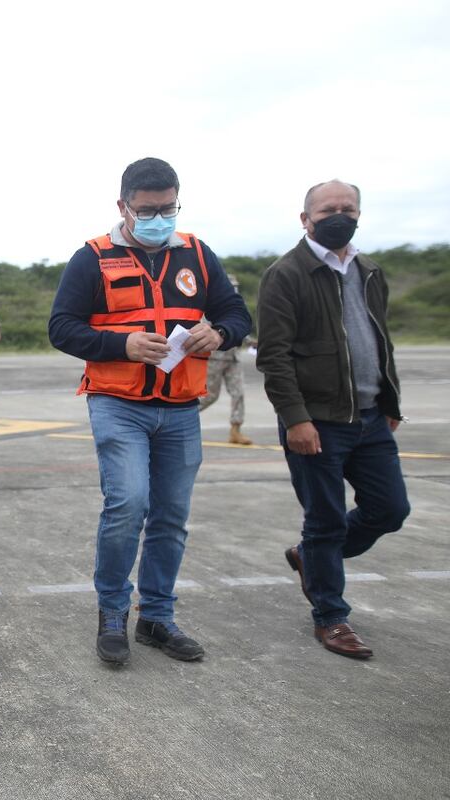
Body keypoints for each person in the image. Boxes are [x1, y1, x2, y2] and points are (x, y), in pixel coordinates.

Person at [48, 157, 251, 666]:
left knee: (171, 516)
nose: (159, 218)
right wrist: (123, 344)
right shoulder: (92, 258)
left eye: (168, 208)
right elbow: (62, 327)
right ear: (123, 207)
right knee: (128, 505)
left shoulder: (197, 254)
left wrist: (220, 331)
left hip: (182, 407)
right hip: (119, 404)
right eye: (147, 210)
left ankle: (157, 617)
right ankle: (113, 612)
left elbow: (237, 313)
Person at [256, 180, 409, 660]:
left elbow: (379, 342)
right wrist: (295, 419)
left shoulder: (368, 270)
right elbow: (274, 357)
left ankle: (310, 560)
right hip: (317, 421)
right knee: (324, 521)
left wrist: (389, 403)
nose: (338, 215)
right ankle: (331, 618)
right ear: (306, 219)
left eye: (348, 208)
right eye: (327, 209)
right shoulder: (286, 274)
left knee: (390, 509)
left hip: (369, 417)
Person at [197, 277, 253, 445]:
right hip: (215, 357)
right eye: (232, 287)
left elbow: (238, 325)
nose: (234, 290)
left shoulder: (235, 307)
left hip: (233, 357)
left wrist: (250, 341)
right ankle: (183, 419)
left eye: (236, 287)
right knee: (209, 395)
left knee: (238, 392)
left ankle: (235, 430)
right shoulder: (210, 306)